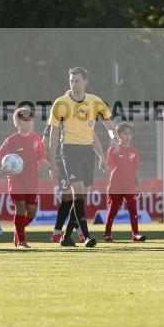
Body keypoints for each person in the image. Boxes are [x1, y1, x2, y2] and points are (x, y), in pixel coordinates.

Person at [47, 67, 118, 248]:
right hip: (69, 150)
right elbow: (54, 134)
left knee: (81, 197)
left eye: (77, 81)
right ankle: (86, 235)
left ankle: (66, 237)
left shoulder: (95, 102)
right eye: (71, 81)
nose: (74, 84)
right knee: (77, 192)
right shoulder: (60, 103)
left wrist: (115, 139)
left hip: (87, 151)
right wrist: (51, 161)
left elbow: (109, 125)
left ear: (85, 82)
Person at [0, 106, 50, 249]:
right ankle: (21, 242)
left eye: (30, 120)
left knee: (31, 211)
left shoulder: (36, 139)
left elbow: (41, 159)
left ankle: (17, 230)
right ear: (17, 123)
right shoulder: (11, 140)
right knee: (20, 208)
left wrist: (51, 168)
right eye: (25, 121)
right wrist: (0, 168)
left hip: (32, 180)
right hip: (16, 180)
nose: (28, 123)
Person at [103, 122, 146, 243]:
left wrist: (139, 186)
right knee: (113, 210)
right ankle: (107, 234)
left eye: (129, 134)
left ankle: (136, 234)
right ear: (119, 135)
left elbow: (136, 170)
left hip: (130, 186)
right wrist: (104, 165)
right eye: (124, 133)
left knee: (133, 210)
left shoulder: (134, 151)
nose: (127, 136)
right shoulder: (113, 150)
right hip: (116, 186)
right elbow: (108, 167)